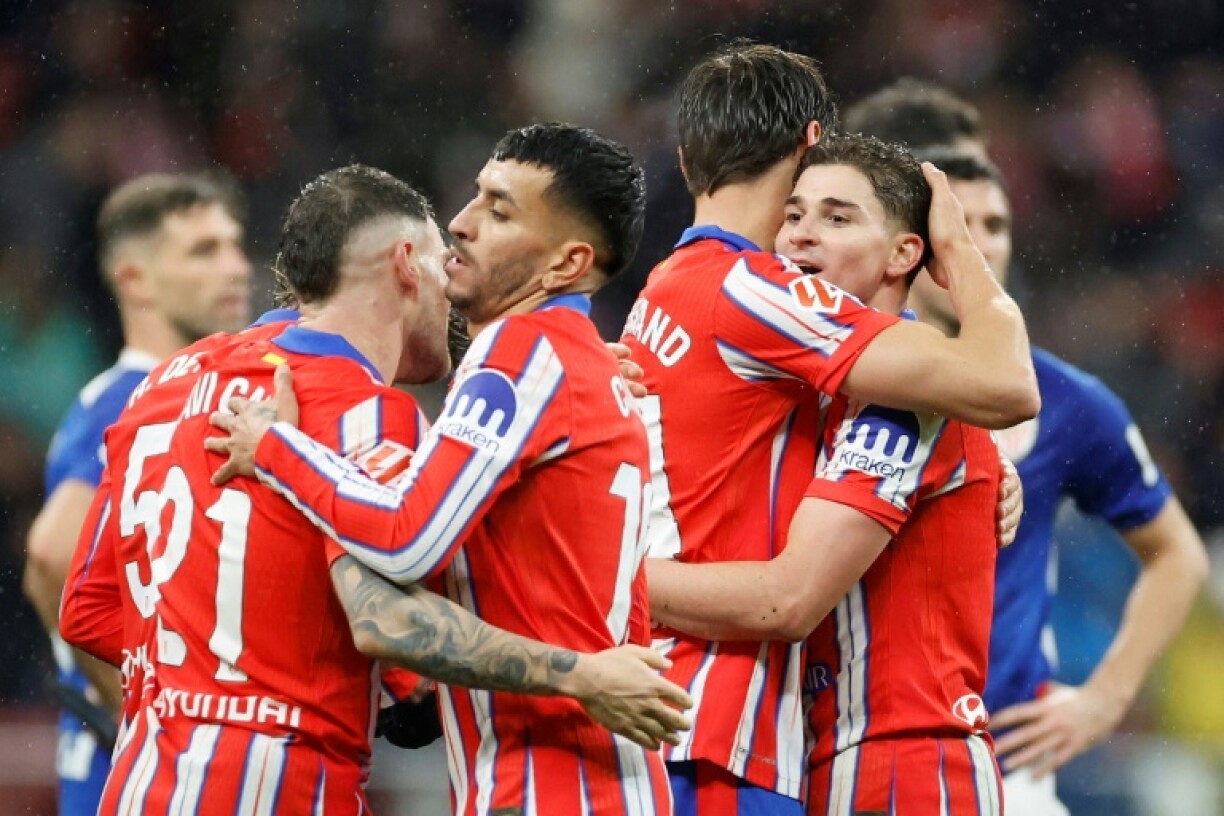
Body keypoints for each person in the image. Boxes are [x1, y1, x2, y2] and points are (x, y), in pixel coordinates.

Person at [60, 160, 690, 816]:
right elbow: (390, 620)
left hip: (141, 778)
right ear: (404, 264)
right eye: (443, 263)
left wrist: (192, 688)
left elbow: (88, 610)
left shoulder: (164, 386)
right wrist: (581, 675)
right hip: (281, 781)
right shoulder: (365, 411)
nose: (451, 286)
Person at [616, 41, 1037, 814]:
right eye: (801, 212)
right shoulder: (760, 312)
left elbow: (1006, 388)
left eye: (837, 217)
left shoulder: (676, 296)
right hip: (757, 741)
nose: (801, 237)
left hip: (902, 759)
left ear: (683, 160)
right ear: (808, 143)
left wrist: (961, 251)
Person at [844, 79, 1209, 814]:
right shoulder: (832, 377)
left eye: (997, 225)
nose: (980, 245)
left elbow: (1179, 554)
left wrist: (1102, 701)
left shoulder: (1062, 399)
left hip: (1002, 766)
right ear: (909, 243)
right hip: (849, 750)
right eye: (961, 224)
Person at [22, 172, 253, 815]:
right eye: (203, 251)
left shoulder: (187, 395)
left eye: (235, 245)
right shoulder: (127, 401)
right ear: (135, 279)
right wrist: (148, 720)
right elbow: (50, 557)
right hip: (136, 778)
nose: (236, 267)